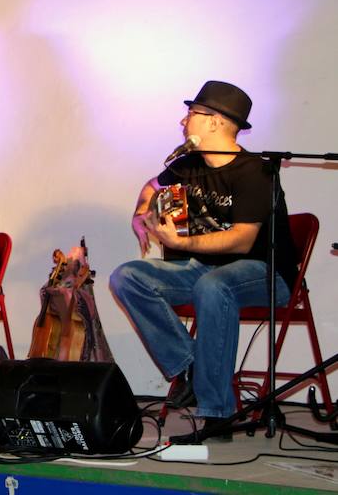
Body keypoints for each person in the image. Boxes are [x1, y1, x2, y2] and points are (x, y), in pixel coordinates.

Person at [109, 81, 296, 436]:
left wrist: (181, 240)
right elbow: (152, 187)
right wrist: (140, 215)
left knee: (214, 286)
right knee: (127, 277)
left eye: (192, 113)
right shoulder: (187, 164)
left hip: (266, 274)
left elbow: (241, 242)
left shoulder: (256, 170)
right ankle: (191, 368)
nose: (184, 121)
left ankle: (218, 412)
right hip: (205, 270)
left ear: (215, 122)